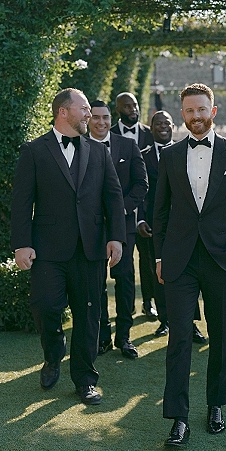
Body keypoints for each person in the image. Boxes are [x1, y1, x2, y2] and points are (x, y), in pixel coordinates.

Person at [154, 83, 226, 447]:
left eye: (202, 109)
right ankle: (178, 418)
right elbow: (160, 211)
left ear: (213, 112)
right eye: (189, 111)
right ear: (182, 114)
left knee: (220, 336)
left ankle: (216, 405)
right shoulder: (170, 155)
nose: (196, 116)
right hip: (179, 260)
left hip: (222, 259)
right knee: (179, 339)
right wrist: (159, 256)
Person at [11, 88, 125, 405]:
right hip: (48, 249)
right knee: (45, 305)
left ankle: (85, 380)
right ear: (63, 111)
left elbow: (113, 196)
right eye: (84, 108)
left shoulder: (99, 152)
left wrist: (116, 236)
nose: (90, 114)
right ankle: (53, 353)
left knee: (89, 316)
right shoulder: (34, 151)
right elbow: (21, 202)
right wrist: (22, 244)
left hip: (91, 249)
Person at [137, 110, 206, 342]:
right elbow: (140, 190)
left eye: (167, 123)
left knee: (188, 272)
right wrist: (140, 219)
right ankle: (165, 320)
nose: (163, 127)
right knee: (159, 271)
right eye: (158, 123)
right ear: (151, 128)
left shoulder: (186, 152)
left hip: (182, 224)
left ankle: (191, 324)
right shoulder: (142, 156)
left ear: (173, 126)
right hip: (152, 224)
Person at [88, 100, 148, 359]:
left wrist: (121, 208)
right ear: (88, 119)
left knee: (124, 279)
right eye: (96, 117)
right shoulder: (79, 145)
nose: (101, 122)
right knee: (95, 282)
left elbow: (141, 184)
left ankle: (124, 336)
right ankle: (102, 336)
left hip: (123, 226)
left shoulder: (128, 145)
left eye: (105, 117)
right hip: (90, 227)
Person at [110, 91, 156, 319]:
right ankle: (126, 307)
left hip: (147, 211)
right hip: (122, 212)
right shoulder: (109, 135)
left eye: (135, 105)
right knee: (124, 266)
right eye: (127, 106)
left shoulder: (150, 134)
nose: (133, 110)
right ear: (118, 109)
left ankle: (149, 302)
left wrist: (143, 214)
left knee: (148, 261)